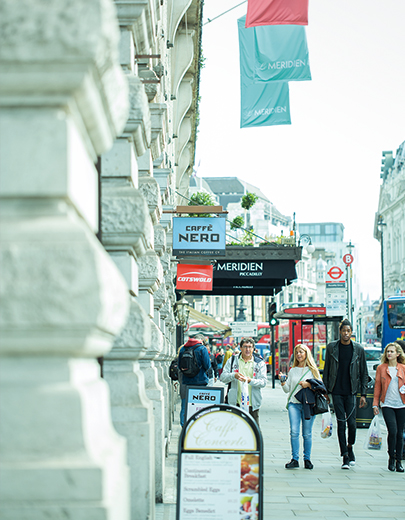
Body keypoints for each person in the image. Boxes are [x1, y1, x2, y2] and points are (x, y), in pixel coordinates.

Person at [323, 319, 369, 470]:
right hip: (336, 391)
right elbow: (327, 370)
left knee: (352, 424)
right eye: (344, 331)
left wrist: (363, 394)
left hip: (351, 391)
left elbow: (363, 373)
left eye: (348, 331)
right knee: (341, 423)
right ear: (340, 331)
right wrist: (325, 392)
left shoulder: (358, 349)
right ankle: (345, 456)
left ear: (351, 332)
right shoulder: (332, 348)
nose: (346, 333)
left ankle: (350, 446)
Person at [280, 344, 321, 470]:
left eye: (301, 352)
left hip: (308, 405)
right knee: (294, 432)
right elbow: (287, 390)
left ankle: (307, 459)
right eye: (297, 352)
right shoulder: (292, 371)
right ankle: (295, 459)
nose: (299, 354)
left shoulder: (313, 370)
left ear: (306, 353)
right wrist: (283, 382)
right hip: (294, 404)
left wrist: (308, 385)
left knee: (307, 433)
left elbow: (320, 386)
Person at [373, 342, 405, 472]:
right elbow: (377, 387)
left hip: (401, 404)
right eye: (388, 351)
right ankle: (391, 458)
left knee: (400, 433)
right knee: (393, 431)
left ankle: (399, 461)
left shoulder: (403, 368)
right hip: (387, 404)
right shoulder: (381, 368)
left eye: (392, 351)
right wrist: (375, 404)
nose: (389, 353)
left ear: (398, 354)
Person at [220, 337, 267, 426]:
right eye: (245, 347)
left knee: (253, 430)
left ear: (253, 348)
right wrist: (233, 375)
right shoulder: (233, 360)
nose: (247, 349)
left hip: (252, 404)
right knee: (234, 429)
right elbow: (223, 377)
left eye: (250, 347)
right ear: (240, 348)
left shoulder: (259, 363)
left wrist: (250, 381)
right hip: (235, 403)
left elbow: (263, 382)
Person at [178, 334, 211, 427]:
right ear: (202, 341)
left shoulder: (183, 348)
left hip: (186, 381)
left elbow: (180, 365)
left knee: (185, 406)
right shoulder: (202, 349)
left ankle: (184, 427)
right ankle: (198, 426)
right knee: (199, 406)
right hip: (200, 382)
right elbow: (207, 365)